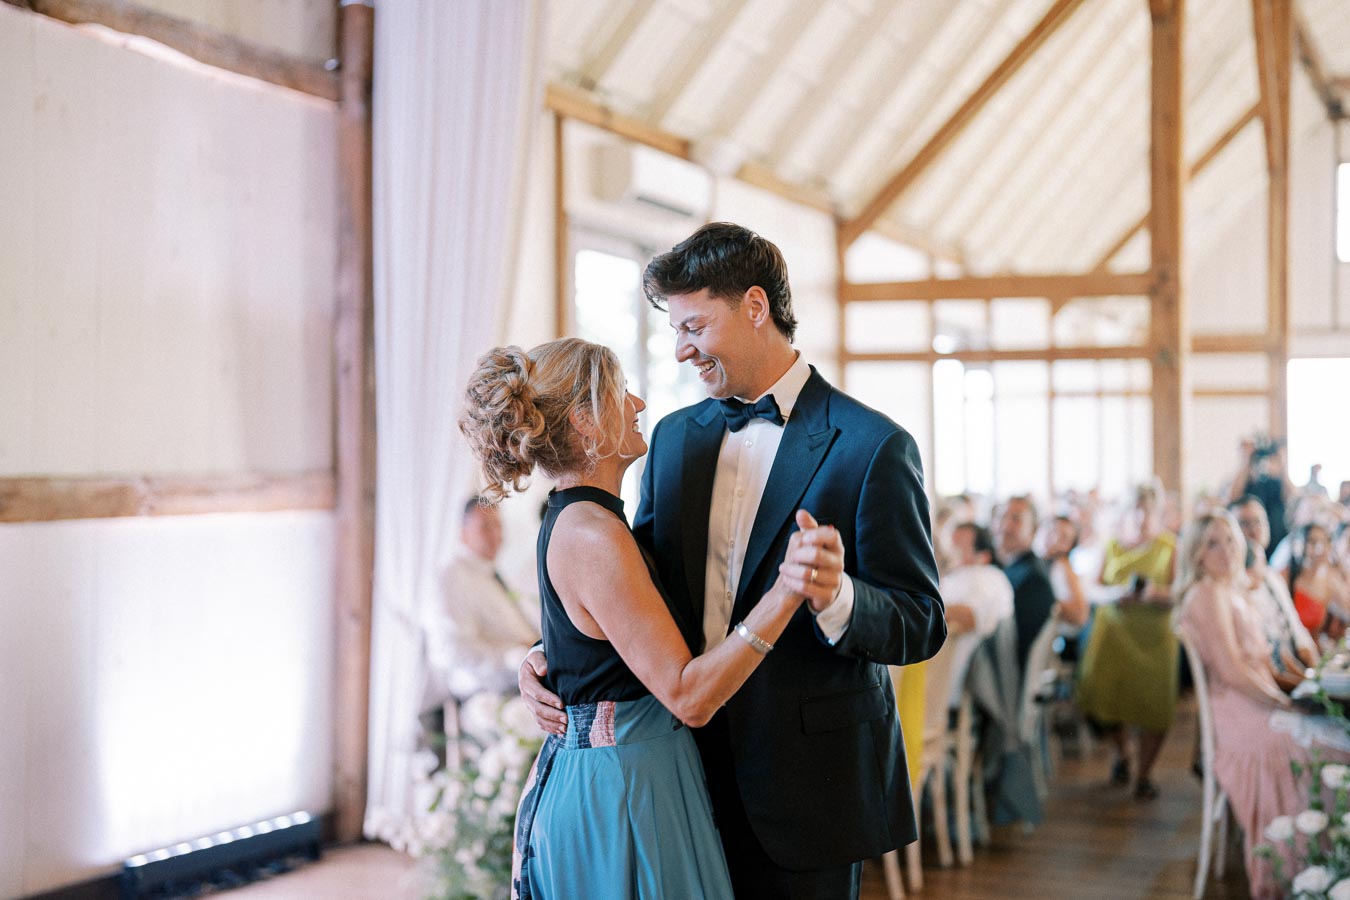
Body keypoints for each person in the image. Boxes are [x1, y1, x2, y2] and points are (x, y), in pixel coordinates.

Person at [519, 223, 946, 898]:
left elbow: (922, 621)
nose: (682, 350)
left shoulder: (873, 446)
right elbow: (637, 588)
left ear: (754, 307)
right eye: (676, 331)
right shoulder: (673, 439)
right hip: (679, 782)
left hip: (810, 797)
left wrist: (836, 598)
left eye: (694, 326)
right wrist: (548, 656)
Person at [460, 338, 842, 899]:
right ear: (588, 422)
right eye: (620, 392)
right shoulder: (592, 534)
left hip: (642, 770)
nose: (637, 403)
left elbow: (600, 632)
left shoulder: (589, 519)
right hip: (623, 788)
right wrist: (788, 590)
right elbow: (688, 696)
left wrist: (545, 657)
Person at [1174, 511, 1350, 899]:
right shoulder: (1207, 593)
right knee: (1336, 747)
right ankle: (1315, 874)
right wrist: (1281, 702)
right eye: (1213, 544)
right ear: (1197, 554)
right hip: (1240, 714)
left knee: (1338, 732)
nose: (1227, 550)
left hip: (1254, 701)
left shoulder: (1230, 589)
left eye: (1231, 540)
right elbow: (1233, 670)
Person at [1075, 483, 1177, 801]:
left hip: (1155, 637)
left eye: (1147, 509)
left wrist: (1155, 594)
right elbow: (1091, 589)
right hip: (1115, 635)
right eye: (1136, 508)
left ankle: (1144, 774)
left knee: (1155, 706)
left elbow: (1182, 591)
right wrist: (1116, 593)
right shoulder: (1112, 546)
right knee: (1109, 698)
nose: (1141, 515)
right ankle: (1123, 753)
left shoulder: (1170, 547)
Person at [422, 497, 540, 706]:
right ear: (463, 532)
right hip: (488, 697)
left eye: (498, 525)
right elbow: (452, 649)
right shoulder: (453, 576)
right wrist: (514, 658)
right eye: (485, 527)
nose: (495, 534)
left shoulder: (496, 574)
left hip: (522, 685)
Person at [1230, 496, 1317, 693]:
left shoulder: (1273, 577)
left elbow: (1297, 630)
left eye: (1258, 521)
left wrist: (1317, 673)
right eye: (1244, 523)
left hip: (1299, 671)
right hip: (1272, 685)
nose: (1253, 529)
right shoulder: (1235, 590)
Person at [939, 522, 1014, 709]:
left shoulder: (985, 577)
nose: (950, 550)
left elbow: (971, 616)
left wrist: (918, 605)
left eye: (959, 546)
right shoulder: (955, 577)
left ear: (984, 556)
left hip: (946, 684)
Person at [993, 495, 1057, 668]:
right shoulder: (1010, 568)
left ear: (1034, 529)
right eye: (1002, 517)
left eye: (1016, 519)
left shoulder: (1032, 579)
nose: (1005, 526)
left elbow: (1009, 645)